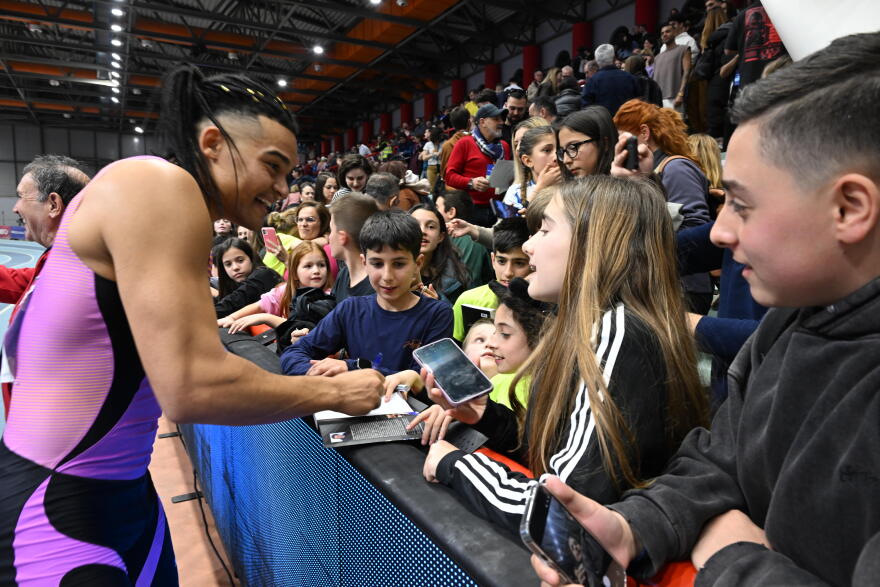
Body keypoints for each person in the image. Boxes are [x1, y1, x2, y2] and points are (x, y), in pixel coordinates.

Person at [0, 65, 383, 585]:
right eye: (272, 165)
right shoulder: (157, 183)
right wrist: (331, 395)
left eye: (290, 172)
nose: (283, 187)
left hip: (116, 495)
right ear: (212, 144)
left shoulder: (149, 201)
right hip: (60, 513)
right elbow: (192, 386)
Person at [533, 32, 880, 587]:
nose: (719, 231)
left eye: (741, 205)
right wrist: (638, 525)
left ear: (850, 207)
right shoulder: (792, 322)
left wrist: (732, 556)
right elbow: (719, 458)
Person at [421, 178, 708, 542]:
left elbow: (565, 510)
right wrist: (484, 416)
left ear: (593, 246)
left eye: (544, 230)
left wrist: (456, 465)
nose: (528, 244)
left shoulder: (617, 330)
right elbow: (560, 455)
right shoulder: (589, 327)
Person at [280, 210, 452, 376]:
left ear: (418, 264)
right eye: (377, 264)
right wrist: (318, 373)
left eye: (399, 264)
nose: (387, 276)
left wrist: (353, 368)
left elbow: (423, 380)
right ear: (364, 263)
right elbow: (293, 354)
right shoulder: (351, 309)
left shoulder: (437, 314)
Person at [1, 155, 90, 417]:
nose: (16, 208)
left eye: (21, 196)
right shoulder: (63, 258)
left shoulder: (79, 268)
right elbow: (23, 282)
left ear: (53, 204)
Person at [614, 99, 714, 313]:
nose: (619, 146)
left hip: (685, 286)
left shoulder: (676, 168)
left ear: (644, 132)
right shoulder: (653, 169)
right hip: (670, 281)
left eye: (623, 138)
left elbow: (696, 227)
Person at [217, 240, 332, 334]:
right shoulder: (284, 290)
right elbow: (260, 305)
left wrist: (265, 317)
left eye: (321, 265)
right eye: (308, 266)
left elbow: (303, 328)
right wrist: (231, 318)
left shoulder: (329, 297)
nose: (316, 271)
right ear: (295, 273)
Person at [451, 216, 531, 341]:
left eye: (519, 263)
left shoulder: (545, 307)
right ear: (493, 260)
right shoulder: (468, 301)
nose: (508, 272)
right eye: (501, 261)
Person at [444, 103, 512, 227]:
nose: (501, 122)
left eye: (502, 119)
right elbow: (449, 176)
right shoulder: (464, 143)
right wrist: (471, 182)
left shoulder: (505, 146)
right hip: (471, 209)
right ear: (482, 122)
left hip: (499, 207)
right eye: (496, 119)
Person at [410, 205, 470, 303]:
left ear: (441, 237)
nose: (422, 231)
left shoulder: (456, 277)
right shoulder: (389, 269)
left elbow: (461, 317)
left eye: (431, 227)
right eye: (415, 225)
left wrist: (438, 305)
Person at [434, 190, 492, 288]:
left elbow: (468, 282)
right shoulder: (445, 237)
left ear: (451, 212)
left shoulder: (470, 242)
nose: (433, 213)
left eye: (436, 208)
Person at [212, 237, 281, 318]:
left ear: (251, 258)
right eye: (228, 264)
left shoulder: (263, 274)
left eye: (240, 260)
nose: (235, 267)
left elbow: (235, 301)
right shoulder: (232, 284)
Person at [328, 192, 378, 303]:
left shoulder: (376, 287)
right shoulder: (344, 274)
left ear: (342, 237)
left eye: (331, 230)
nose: (329, 237)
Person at [503, 124, 559, 215]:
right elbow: (510, 227)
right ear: (528, 160)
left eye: (560, 149)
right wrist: (540, 188)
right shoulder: (515, 192)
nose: (556, 157)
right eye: (547, 150)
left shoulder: (575, 186)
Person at [580, 44, 641, 116]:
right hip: (627, 122)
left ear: (597, 61)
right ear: (614, 58)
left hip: (602, 124)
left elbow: (586, 108)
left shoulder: (592, 82)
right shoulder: (630, 78)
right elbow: (638, 103)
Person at [557, 108, 618, 179]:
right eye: (562, 152)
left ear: (604, 144)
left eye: (573, 147)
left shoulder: (631, 183)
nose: (566, 160)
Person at [439, 107, 470, 180]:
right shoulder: (478, 141)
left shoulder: (447, 145)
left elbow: (444, 174)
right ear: (469, 122)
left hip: (455, 188)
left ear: (453, 125)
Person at [419, 127, 442, 192]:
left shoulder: (444, 143)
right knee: (431, 189)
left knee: (442, 188)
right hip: (431, 167)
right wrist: (433, 154)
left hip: (441, 166)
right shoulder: (428, 144)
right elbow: (424, 158)